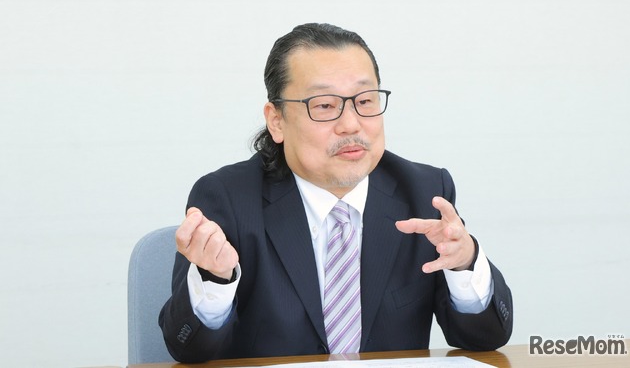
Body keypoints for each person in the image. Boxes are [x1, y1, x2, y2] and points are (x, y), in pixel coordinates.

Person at [159, 23, 513, 363]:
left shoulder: (424, 193)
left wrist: (465, 262)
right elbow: (187, 349)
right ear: (277, 120)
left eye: (365, 100)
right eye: (325, 105)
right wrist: (216, 280)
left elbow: (486, 338)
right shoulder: (228, 199)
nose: (351, 124)